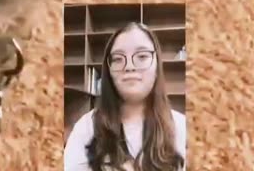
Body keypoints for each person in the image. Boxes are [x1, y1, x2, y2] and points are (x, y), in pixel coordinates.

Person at [64, 22, 187, 171]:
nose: (129, 66)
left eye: (142, 56)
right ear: (108, 70)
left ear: (157, 66)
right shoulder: (86, 128)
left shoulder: (182, 128)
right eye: (118, 59)